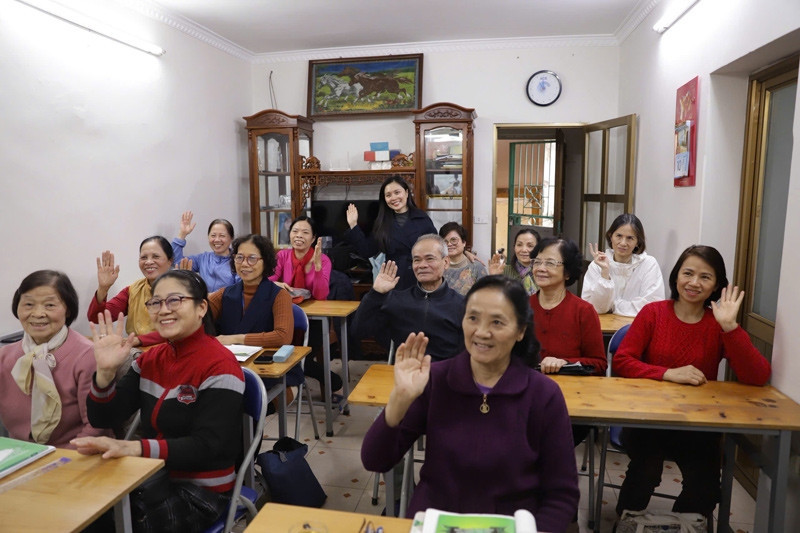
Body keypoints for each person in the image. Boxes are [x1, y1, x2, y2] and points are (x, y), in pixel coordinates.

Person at [361, 276, 579, 531]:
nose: (482, 332)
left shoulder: (543, 394)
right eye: (473, 318)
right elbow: (375, 461)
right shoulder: (436, 379)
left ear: (520, 330)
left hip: (510, 523)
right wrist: (400, 398)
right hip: (437, 520)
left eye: (497, 322)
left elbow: (562, 494)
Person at [73, 270, 244, 531]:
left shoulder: (220, 365)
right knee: (82, 513)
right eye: (156, 302)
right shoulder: (150, 359)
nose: (163, 310)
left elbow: (208, 446)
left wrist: (136, 449)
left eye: (175, 300)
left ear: (201, 308)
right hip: (151, 476)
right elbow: (104, 417)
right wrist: (105, 373)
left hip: (202, 490)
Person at [612, 245, 771, 517]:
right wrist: (666, 373)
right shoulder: (653, 313)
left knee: (705, 486)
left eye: (705, 277)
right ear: (676, 277)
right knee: (645, 471)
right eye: (688, 273)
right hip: (648, 418)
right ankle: (625, 523)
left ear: (716, 285)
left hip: (697, 423)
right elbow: (622, 361)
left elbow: (757, 376)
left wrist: (730, 327)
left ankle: (680, 526)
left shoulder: (717, 324)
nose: (694, 283)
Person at [0, 271, 110, 448]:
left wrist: (58, 459)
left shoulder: (87, 355)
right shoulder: (4, 356)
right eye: (28, 304)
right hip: (19, 455)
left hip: (75, 454)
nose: (38, 313)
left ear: (68, 309)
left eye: (50, 305)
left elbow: (96, 427)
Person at [207, 234, 304, 394]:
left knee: (235, 400)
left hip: (272, 370)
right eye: (239, 258)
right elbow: (197, 318)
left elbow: (283, 336)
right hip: (231, 366)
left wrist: (233, 339)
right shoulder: (225, 294)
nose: (244, 264)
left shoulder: (279, 295)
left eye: (252, 258)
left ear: (265, 261)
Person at [351, 234, 464, 362]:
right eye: (416, 260)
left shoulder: (461, 305)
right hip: (406, 372)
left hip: (446, 374)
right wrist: (376, 294)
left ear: (446, 262)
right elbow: (358, 331)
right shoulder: (397, 300)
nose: (422, 265)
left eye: (429, 258)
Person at [268, 215, 342, 399]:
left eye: (305, 232)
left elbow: (321, 294)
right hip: (286, 315)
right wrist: (276, 284)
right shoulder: (282, 256)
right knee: (280, 353)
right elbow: (268, 281)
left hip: (314, 318)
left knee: (302, 359)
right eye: (295, 231)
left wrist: (317, 268)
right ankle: (287, 388)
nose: (299, 236)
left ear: (313, 237)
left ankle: (332, 381)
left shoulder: (323, 260)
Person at [529, 237, 607, 376]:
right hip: (527, 386)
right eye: (537, 262)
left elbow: (599, 364)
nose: (541, 268)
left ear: (568, 272)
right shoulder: (520, 307)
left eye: (550, 263)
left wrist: (565, 362)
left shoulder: (584, 311)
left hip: (571, 390)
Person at [344, 176, 436, 290]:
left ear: (406, 193)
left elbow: (435, 250)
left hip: (420, 278)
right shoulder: (382, 223)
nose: (393, 198)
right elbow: (367, 251)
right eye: (388, 195)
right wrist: (353, 225)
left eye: (397, 192)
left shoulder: (422, 219)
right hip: (394, 281)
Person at [87, 236, 173, 347]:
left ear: (170, 261)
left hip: (167, 353)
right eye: (143, 257)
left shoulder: (181, 291)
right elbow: (98, 318)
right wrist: (103, 288)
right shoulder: (133, 290)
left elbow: (180, 328)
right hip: (134, 351)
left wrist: (137, 340)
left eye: (155, 256)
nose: (149, 262)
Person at [581, 213, 665, 316]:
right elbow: (593, 307)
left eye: (630, 238)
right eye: (619, 236)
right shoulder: (597, 265)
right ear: (610, 236)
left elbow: (652, 307)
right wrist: (605, 275)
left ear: (638, 242)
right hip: (603, 328)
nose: (623, 243)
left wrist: (614, 306)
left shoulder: (648, 264)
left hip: (638, 328)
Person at [171, 210, 239, 292]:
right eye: (213, 235)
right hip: (204, 303)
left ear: (231, 238)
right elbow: (177, 262)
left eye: (222, 236)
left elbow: (239, 290)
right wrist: (182, 234)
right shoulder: (202, 259)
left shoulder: (238, 260)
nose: (217, 240)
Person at [439, 221, 487, 296]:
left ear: (464, 242)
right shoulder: (437, 266)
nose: (449, 244)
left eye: (454, 240)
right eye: (445, 241)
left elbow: (485, 295)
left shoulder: (476, 267)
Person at [488, 227, 540, 295]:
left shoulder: (543, 272)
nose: (524, 250)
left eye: (530, 246)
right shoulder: (503, 270)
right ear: (514, 247)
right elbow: (493, 298)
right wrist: (493, 277)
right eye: (519, 245)